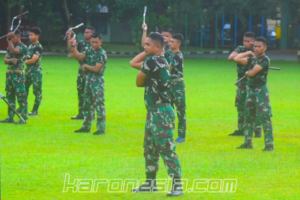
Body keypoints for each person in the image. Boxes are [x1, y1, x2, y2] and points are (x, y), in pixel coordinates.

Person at [130, 32, 183, 196]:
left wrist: (146, 56)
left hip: (160, 111)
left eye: (148, 45)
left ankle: (177, 185)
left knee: (166, 148)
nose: (144, 47)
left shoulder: (153, 61)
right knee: (150, 148)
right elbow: (136, 64)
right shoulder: (160, 60)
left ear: (158, 47)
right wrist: (147, 51)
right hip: (155, 111)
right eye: (144, 44)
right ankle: (150, 183)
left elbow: (138, 81)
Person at [234, 37, 274, 151]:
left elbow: (252, 73)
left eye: (259, 46)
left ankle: (269, 144)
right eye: (255, 46)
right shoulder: (252, 59)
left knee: (265, 117)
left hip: (260, 91)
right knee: (248, 117)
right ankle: (247, 143)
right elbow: (236, 58)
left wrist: (247, 72)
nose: (256, 48)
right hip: (250, 90)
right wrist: (248, 52)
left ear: (265, 48)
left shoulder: (264, 60)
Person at [70, 32, 107, 135]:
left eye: (96, 42)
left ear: (100, 42)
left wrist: (86, 66)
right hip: (88, 79)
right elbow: (78, 56)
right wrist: (74, 46)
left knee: (99, 104)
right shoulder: (89, 49)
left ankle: (101, 128)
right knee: (87, 104)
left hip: (97, 81)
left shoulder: (101, 53)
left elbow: (96, 68)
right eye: (92, 42)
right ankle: (86, 126)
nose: (94, 44)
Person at [228, 32, 262, 137]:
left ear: (253, 41)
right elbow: (231, 57)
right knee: (240, 106)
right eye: (244, 41)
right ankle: (241, 129)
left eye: (248, 41)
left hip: (253, 83)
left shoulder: (257, 49)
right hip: (241, 82)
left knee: (253, 106)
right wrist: (246, 53)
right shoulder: (241, 49)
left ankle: (257, 130)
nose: (245, 43)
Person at [66, 26, 95, 120]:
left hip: (90, 70)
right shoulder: (82, 43)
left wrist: (75, 52)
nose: (85, 34)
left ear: (92, 34)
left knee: (90, 93)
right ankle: (81, 113)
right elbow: (70, 49)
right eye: (85, 32)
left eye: (88, 32)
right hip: (82, 70)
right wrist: (69, 38)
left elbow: (79, 56)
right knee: (80, 92)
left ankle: (91, 114)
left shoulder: (93, 45)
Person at [0, 30, 28, 124]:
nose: (12, 40)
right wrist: (11, 59)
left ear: (19, 36)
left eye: (13, 38)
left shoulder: (23, 47)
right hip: (9, 74)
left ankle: (23, 117)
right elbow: (5, 60)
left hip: (18, 74)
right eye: (11, 38)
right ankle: (10, 117)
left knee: (21, 96)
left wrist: (8, 40)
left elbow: (13, 51)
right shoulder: (10, 46)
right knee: (10, 96)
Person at [168, 33, 186, 143]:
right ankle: (168, 133)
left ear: (178, 44)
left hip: (177, 85)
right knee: (169, 110)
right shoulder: (169, 53)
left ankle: (181, 135)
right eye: (170, 41)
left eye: (172, 42)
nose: (170, 43)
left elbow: (167, 69)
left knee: (180, 111)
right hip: (169, 84)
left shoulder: (177, 55)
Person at [24, 27, 43, 115]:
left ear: (37, 36)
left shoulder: (38, 47)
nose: (30, 37)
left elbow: (33, 60)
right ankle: (22, 107)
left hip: (35, 72)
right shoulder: (29, 45)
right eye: (29, 35)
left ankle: (35, 110)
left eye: (32, 35)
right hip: (28, 71)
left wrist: (22, 62)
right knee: (24, 90)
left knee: (37, 91)